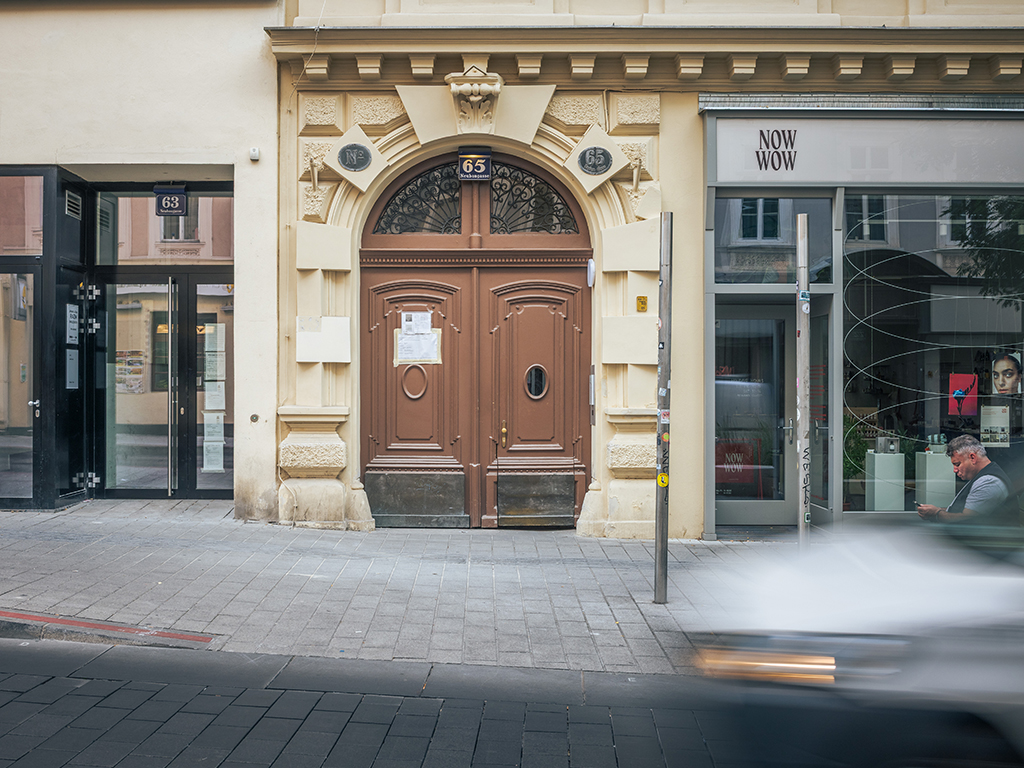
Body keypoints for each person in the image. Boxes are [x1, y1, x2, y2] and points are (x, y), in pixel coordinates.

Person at [917, 435, 1019, 525]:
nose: (955, 470)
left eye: (957, 464)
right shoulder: (980, 477)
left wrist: (936, 514)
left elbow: (966, 519)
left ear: (972, 458)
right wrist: (937, 510)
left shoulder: (989, 482)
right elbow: (961, 511)